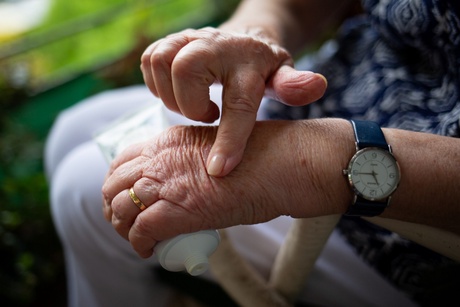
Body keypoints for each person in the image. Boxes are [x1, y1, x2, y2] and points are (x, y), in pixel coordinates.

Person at [45, 0, 460, 306]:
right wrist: (256, 30)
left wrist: (319, 162)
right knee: (74, 128)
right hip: (323, 91)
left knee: (82, 192)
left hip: (405, 213)